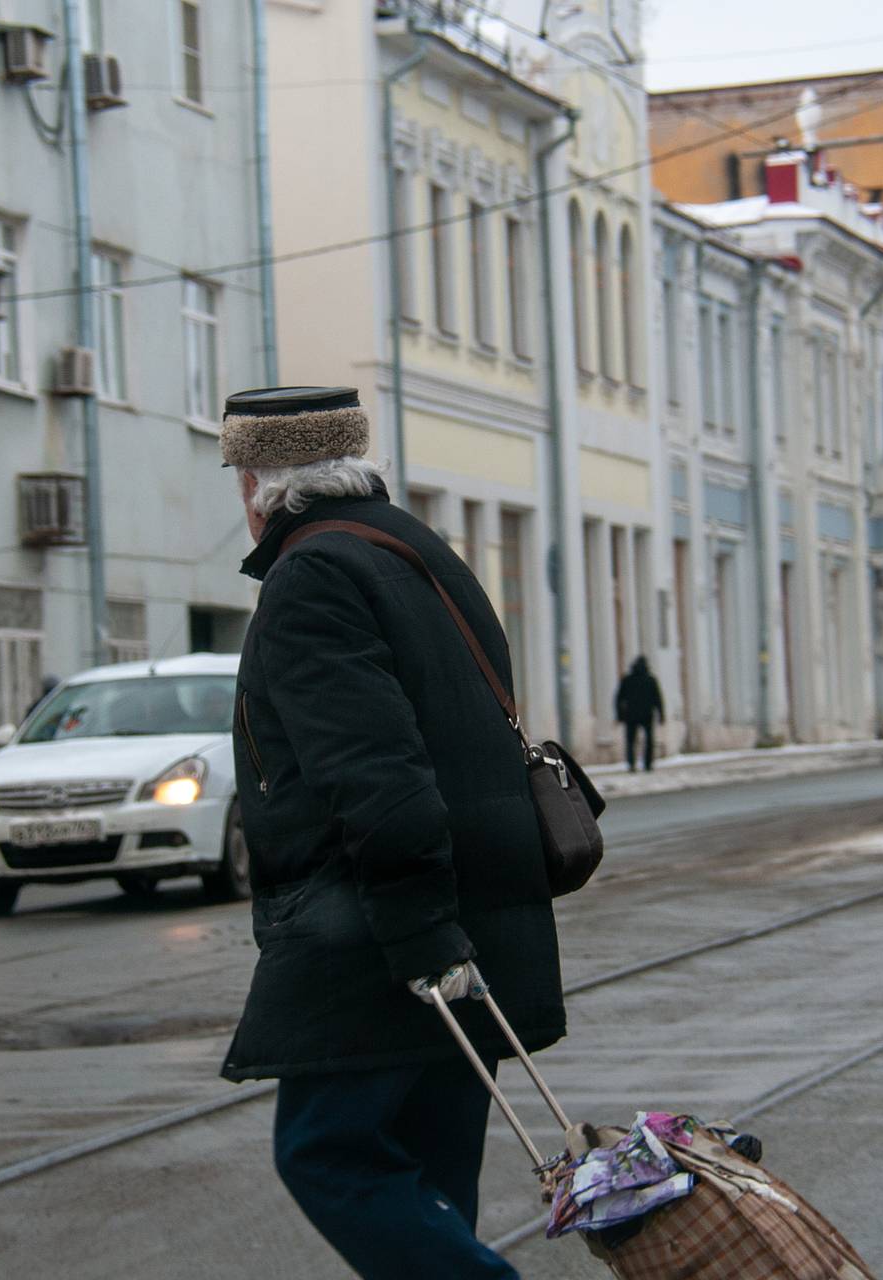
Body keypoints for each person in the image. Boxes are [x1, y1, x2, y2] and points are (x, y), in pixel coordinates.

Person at [219, 386, 565, 1280]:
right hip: (475, 912)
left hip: (387, 931)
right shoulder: (419, 550)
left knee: (327, 1152)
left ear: (259, 485)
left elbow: (374, 769)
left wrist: (420, 938)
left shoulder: (312, 576)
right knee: (433, 1174)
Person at [614, 656, 664, 772]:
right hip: (647, 714)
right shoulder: (650, 680)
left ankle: (631, 763)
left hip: (631, 715)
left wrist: (620, 715)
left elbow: (619, 698)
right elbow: (657, 699)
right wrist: (661, 714)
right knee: (649, 740)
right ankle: (648, 764)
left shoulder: (627, 680)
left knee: (630, 741)